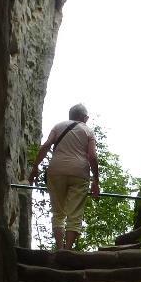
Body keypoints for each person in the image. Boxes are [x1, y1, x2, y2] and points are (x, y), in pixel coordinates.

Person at [29, 103, 100, 250]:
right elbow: (92, 156)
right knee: (75, 213)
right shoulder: (88, 131)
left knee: (58, 212)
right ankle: (67, 250)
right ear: (84, 117)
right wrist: (96, 181)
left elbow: (46, 146)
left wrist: (35, 167)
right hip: (79, 173)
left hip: (56, 171)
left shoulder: (58, 126)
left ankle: (60, 248)